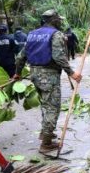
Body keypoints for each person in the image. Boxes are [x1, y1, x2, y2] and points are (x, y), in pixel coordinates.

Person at [14, 10, 81, 153]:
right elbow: (58, 56)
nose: (60, 22)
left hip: (35, 74)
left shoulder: (32, 34)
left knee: (45, 104)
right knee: (52, 107)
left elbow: (20, 57)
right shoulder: (55, 34)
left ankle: (46, 132)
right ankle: (46, 143)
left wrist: (17, 73)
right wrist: (72, 73)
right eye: (59, 19)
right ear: (54, 20)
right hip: (49, 75)